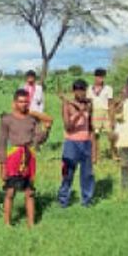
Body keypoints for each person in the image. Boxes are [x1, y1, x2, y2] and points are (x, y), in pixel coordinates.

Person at [0, 89, 49, 227]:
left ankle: (31, 224)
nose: (23, 104)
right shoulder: (7, 119)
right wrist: (2, 165)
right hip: (13, 157)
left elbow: (38, 139)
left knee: (29, 192)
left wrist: (47, 130)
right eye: (20, 102)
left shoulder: (33, 119)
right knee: (10, 191)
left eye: (26, 102)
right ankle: (7, 224)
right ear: (15, 103)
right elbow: (2, 143)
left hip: (29, 156)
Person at [57, 80, 96, 208]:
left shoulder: (89, 104)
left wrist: (93, 147)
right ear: (74, 91)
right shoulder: (67, 105)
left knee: (87, 174)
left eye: (83, 90)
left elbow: (90, 126)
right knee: (67, 173)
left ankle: (87, 200)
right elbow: (68, 127)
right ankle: (63, 200)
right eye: (78, 90)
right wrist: (80, 113)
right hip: (71, 143)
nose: (81, 93)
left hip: (86, 142)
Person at [86, 68, 114, 159]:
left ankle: (114, 154)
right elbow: (88, 103)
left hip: (105, 112)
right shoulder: (89, 89)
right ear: (95, 77)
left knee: (110, 134)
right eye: (99, 77)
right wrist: (88, 117)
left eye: (102, 77)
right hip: (94, 112)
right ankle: (95, 156)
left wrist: (112, 118)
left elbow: (110, 104)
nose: (100, 79)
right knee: (95, 135)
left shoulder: (108, 88)